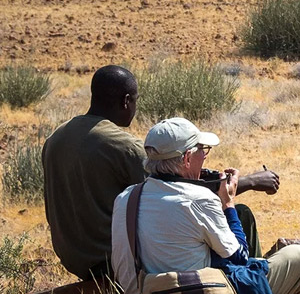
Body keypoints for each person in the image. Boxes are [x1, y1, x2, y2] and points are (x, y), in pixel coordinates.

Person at [43, 65, 279, 281]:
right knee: (241, 215)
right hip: (115, 258)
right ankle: (255, 291)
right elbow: (174, 196)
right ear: (126, 101)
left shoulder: (55, 138)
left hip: (74, 257)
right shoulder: (123, 146)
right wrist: (248, 182)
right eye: (135, 101)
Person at [110, 118, 300, 294]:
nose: (205, 157)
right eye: (202, 150)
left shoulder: (125, 199)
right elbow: (240, 256)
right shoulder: (199, 200)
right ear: (186, 158)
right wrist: (228, 204)